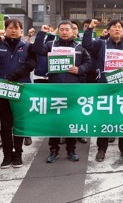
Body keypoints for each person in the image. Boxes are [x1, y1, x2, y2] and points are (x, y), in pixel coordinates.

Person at [33, 21, 92, 163]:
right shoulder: (51, 45)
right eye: (62, 30)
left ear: (73, 32)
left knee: (71, 120)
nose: (64, 32)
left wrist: (80, 69)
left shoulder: (80, 47)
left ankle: (71, 149)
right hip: (55, 89)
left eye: (67, 30)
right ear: (58, 31)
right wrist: (42, 33)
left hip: (73, 89)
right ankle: (53, 149)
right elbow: (36, 50)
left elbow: (89, 63)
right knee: (55, 121)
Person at [0, 19, 36, 168]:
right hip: (2, 89)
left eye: (17, 28)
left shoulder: (27, 46)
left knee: (19, 123)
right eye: (10, 28)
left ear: (21, 30)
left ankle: (18, 154)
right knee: (5, 124)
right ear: (5, 30)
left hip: (20, 89)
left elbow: (31, 64)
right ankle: (7, 155)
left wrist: (13, 76)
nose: (13, 30)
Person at [82, 19, 123, 161]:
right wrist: (90, 29)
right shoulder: (101, 44)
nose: (117, 29)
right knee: (104, 119)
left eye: (120, 27)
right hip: (105, 87)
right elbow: (86, 44)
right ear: (108, 30)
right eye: (114, 27)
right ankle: (102, 149)